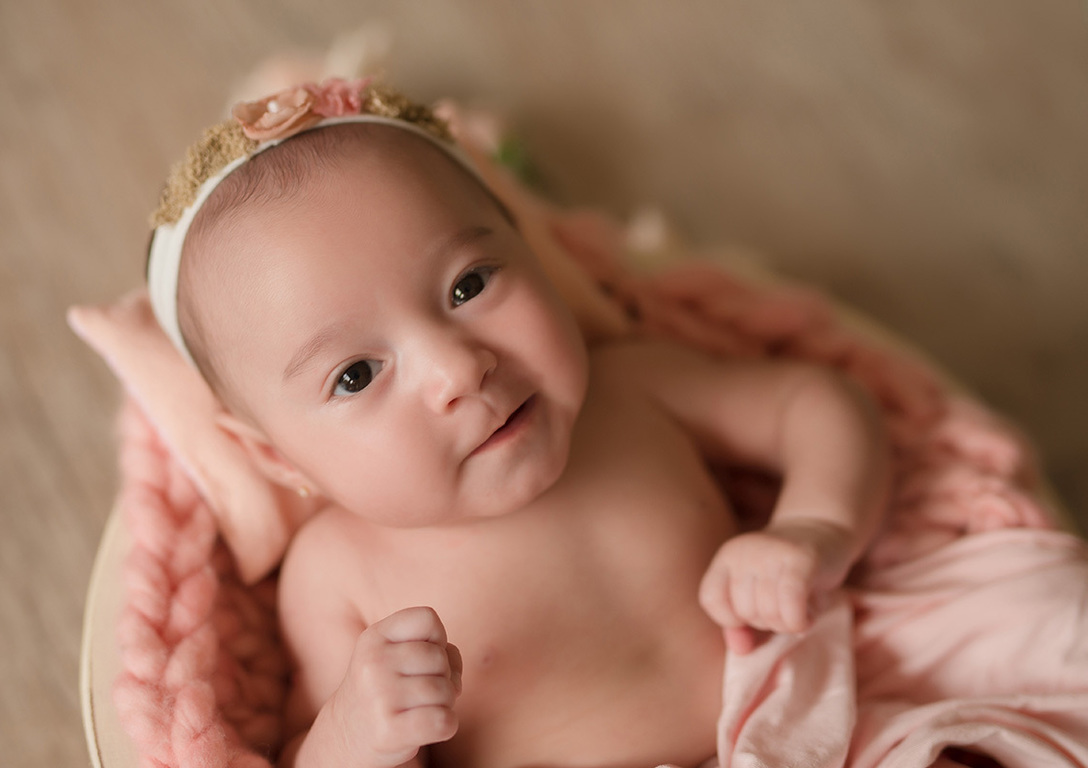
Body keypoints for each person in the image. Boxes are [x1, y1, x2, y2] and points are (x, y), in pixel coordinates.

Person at [146, 78, 891, 768]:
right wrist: (354, 733)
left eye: (469, 284)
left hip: (810, 733)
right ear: (281, 461)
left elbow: (818, 404)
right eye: (356, 374)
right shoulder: (338, 573)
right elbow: (309, 749)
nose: (458, 370)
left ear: (534, 255)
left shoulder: (632, 391)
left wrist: (814, 529)